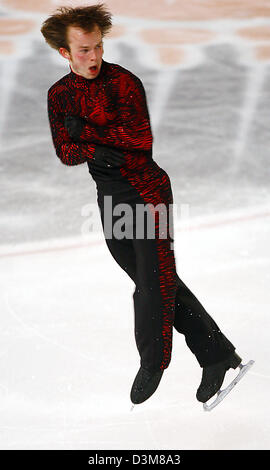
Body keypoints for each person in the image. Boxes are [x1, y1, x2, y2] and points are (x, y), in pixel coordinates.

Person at [41, 4, 245, 407]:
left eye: (98, 46)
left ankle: (154, 362)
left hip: (147, 191)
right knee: (156, 281)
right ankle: (217, 353)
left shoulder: (124, 83)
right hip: (110, 197)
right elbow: (66, 151)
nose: (94, 56)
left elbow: (137, 141)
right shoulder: (59, 95)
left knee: (154, 284)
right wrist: (98, 147)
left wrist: (89, 138)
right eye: (83, 50)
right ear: (64, 52)